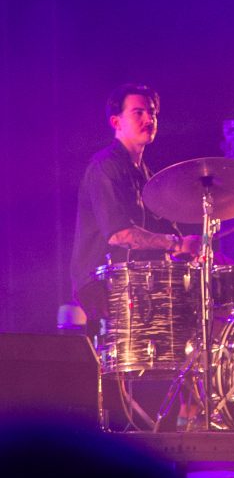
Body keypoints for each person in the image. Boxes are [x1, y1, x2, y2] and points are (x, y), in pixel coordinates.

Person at [70, 83, 199, 322]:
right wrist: (174, 243)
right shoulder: (105, 166)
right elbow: (119, 234)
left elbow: (164, 230)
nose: (148, 119)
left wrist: (189, 250)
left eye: (152, 113)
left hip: (134, 283)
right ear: (116, 122)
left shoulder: (146, 175)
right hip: (102, 285)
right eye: (138, 112)